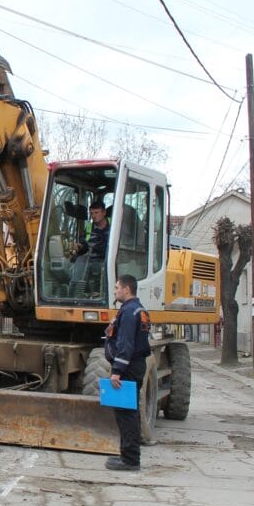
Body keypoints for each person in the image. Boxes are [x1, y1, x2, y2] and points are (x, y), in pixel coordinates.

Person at [103, 274, 151, 471]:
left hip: (128, 368)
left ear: (126, 289)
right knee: (129, 411)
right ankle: (127, 454)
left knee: (126, 413)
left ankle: (130, 460)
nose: (115, 291)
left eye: (117, 287)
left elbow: (126, 344)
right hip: (134, 365)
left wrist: (117, 371)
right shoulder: (137, 310)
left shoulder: (130, 312)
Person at [69, 200, 110, 296]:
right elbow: (85, 246)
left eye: (96, 212)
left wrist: (97, 247)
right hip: (92, 261)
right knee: (79, 260)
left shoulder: (114, 225)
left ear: (104, 212)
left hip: (107, 261)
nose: (93, 216)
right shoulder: (89, 227)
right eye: (91, 213)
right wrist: (79, 248)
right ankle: (74, 292)